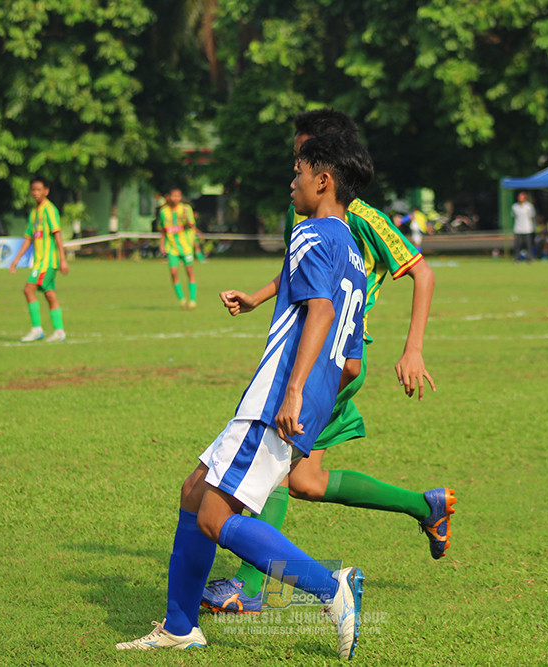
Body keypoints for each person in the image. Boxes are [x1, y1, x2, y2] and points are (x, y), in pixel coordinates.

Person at [117, 132, 373, 658]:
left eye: (299, 172)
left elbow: (321, 312)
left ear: (324, 181)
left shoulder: (310, 232)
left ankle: (331, 588)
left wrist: (293, 391)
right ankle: (180, 626)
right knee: (195, 491)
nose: (292, 182)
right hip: (308, 401)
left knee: (213, 517)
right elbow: (351, 363)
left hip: (279, 396)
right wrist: (313, 397)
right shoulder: (354, 255)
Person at [201, 109, 452, 616]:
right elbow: (301, 268)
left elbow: (422, 273)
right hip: (330, 356)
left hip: (333, 359)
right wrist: (257, 297)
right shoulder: (310, 214)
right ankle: (424, 505)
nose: (295, 167)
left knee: (274, 463)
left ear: (328, 166)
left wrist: (413, 348)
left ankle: (250, 586)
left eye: (304, 155)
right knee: (304, 481)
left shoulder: (362, 217)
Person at [9, 176, 69, 342]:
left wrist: (63, 258)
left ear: (46, 191)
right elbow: (28, 238)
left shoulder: (49, 209)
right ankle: (59, 332)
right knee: (50, 295)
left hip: (47, 261)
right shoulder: (34, 213)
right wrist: (16, 260)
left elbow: (57, 234)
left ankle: (37, 329)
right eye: (33, 190)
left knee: (28, 290)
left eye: (38, 189)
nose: (35, 193)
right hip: (38, 261)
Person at [158, 188, 198, 309]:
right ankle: (182, 300)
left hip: (186, 247)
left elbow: (191, 226)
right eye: (174, 196)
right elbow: (163, 230)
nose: (176, 198)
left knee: (189, 271)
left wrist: (187, 218)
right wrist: (161, 244)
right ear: (169, 197)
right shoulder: (163, 211)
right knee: (173, 272)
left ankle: (193, 300)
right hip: (171, 247)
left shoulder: (186, 208)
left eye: (178, 196)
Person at [511, 191, 536, 262]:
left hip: (527, 229)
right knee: (517, 245)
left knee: (528, 244)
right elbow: (513, 216)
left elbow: (532, 216)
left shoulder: (529, 206)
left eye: (522, 197)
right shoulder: (515, 207)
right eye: (519, 197)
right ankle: (517, 259)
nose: (520, 199)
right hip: (518, 229)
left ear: (525, 198)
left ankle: (530, 258)